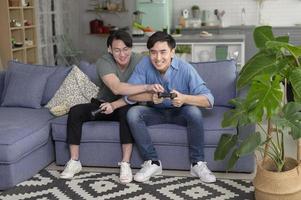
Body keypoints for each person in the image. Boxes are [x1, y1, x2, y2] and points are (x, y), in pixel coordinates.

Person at [60, 30, 163, 184]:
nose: (122, 54)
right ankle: (74, 162)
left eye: (126, 49)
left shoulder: (141, 61)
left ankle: (125, 164)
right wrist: (146, 87)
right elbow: (116, 88)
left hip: (126, 104)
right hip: (103, 104)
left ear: (131, 48)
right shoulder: (104, 62)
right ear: (109, 49)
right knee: (76, 111)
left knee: (128, 112)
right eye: (117, 50)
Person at [125, 31, 216, 183]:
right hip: (155, 112)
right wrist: (150, 97)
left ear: (173, 52)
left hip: (180, 112)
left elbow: (209, 100)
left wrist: (184, 98)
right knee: (133, 113)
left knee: (194, 112)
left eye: (163, 52)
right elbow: (129, 94)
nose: (158, 58)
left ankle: (197, 163)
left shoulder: (185, 68)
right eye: (153, 52)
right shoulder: (144, 64)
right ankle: (152, 162)